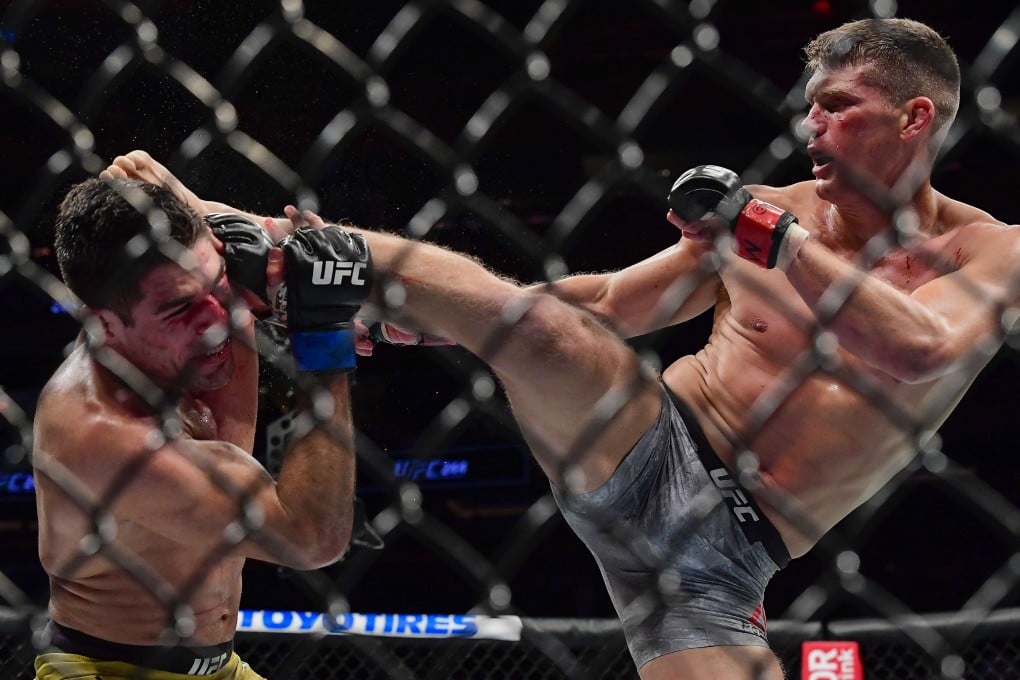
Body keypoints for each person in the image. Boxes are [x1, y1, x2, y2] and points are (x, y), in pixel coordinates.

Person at [103, 17, 1020, 679]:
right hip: (648, 439)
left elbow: (920, 350)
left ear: (915, 118)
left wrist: (774, 238)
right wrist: (440, 319)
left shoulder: (989, 252)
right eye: (810, 107)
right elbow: (614, 301)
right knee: (534, 323)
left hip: (727, 563)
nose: (811, 127)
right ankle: (255, 235)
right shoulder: (770, 209)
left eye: (838, 107)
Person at [32, 176, 373, 678]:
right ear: (104, 324)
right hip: (108, 669)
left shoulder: (192, 317)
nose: (217, 320)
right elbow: (311, 537)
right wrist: (324, 334)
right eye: (180, 308)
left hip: (224, 665)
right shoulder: (103, 434)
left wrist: (315, 288)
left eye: (215, 284)